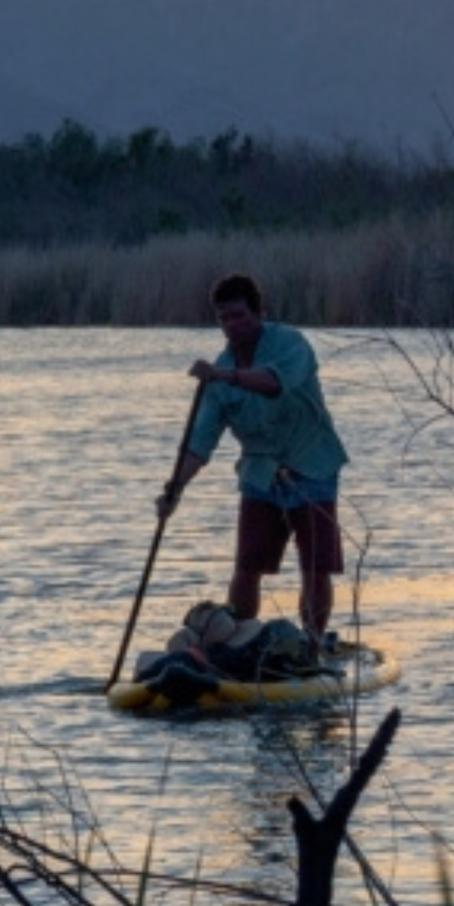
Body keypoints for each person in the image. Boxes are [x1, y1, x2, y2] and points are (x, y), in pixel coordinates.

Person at [156, 272, 348, 639]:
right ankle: (240, 639)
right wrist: (174, 488)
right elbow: (199, 443)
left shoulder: (291, 344)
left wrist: (226, 376)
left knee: (315, 565)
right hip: (261, 473)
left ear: (260, 312)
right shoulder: (219, 373)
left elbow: (274, 383)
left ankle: (313, 643)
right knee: (247, 565)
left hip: (313, 464)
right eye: (224, 318)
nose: (232, 326)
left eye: (240, 316)